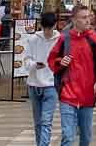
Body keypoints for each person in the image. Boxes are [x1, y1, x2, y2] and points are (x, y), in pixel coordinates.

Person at [48, 6, 96, 146]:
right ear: (74, 20)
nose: (88, 20)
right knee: (68, 136)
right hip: (67, 94)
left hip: (88, 95)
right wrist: (60, 62)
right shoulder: (64, 39)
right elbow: (52, 60)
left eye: (89, 16)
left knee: (86, 138)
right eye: (84, 17)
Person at [26, 12, 62, 146]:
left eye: (50, 28)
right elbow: (26, 60)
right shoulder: (33, 39)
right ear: (41, 26)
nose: (47, 32)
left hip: (51, 85)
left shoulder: (60, 40)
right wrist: (35, 65)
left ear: (55, 26)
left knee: (46, 121)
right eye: (45, 28)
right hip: (34, 84)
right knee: (38, 122)